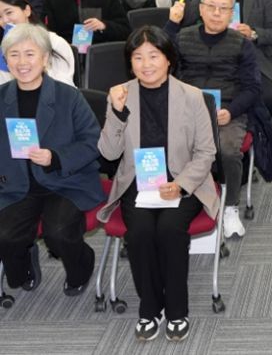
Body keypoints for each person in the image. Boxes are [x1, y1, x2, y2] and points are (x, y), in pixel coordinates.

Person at [97, 26, 217, 341]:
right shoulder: (120, 95)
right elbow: (108, 153)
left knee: (169, 230)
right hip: (138, 183)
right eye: (138, 57)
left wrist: (180, 184)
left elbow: (206, 152)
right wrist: (117, 113)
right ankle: (150, 308)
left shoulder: (192, 96)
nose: (146, 64)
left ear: (168, 59)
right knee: (139, 233)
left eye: (153, 55)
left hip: (183, 180)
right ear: (130, 62)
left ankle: (176, 310)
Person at [0, 23, 103, 297]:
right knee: (6, 236)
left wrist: (55, 157)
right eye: (14, 54)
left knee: (58, 233)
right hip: (16, 184)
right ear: (6, 60)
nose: (22, 62)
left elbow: (93, 141)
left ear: (45, 58)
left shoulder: (68, 96)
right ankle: (25, 265)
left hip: (65, 182)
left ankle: (82, 266)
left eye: (30, 54)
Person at [165, 0, 260, 238]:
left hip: (228, 112)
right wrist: (172, 25)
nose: (217, 13)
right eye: (211, 7)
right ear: (201, 9)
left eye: (223, 8)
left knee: (227, 149)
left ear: (232, 13)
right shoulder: (183, 37)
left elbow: (252, 88)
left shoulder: (242, 44)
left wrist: (231, 111)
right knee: (168, 145)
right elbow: (160, 61)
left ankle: (230, 207)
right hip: (187, 110)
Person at [0, 0, 74, 86]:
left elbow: (64, 84)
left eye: (9, 12)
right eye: (0, 17)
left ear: (27, 11)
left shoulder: (54, 42)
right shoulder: (4, 47)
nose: (5, 20)